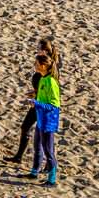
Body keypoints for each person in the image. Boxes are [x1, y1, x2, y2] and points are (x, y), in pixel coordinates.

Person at [28, 48, 62, 186]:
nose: (34, 66)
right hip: (41, 119)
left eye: (36, 64)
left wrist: (37, 103)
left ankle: (52, 180)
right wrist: (34, 97)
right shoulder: (42, 79)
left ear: (43, 66)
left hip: (48, 121)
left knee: (48, 150)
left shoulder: (51, 82)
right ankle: (34, 172)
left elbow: (54, 106)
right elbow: (43, 98)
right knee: (37, 145)